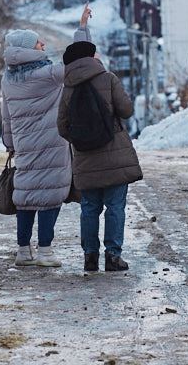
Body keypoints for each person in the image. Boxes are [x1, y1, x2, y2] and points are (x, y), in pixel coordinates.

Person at [0, 3, 93, 267]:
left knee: (27, 195)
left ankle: (22, 250)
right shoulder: (49, 74)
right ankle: (46, 252)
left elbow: (6, 116)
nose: (43, 45)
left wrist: (10, 143)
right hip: (52, 144)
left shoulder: (8, 80)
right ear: (29, 50)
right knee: (50, 194)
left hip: (25, 146)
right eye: (39, 44)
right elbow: (81, 61)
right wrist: (82, 29)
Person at [57, 40, 142, 272]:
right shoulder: (109, 78)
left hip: (85, 157)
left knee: (89, 207)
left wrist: (82, 138)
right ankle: (113, 257)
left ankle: (90, 257)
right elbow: (126, 110)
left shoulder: (68, 88)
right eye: (96, 52)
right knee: (115, 207)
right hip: (115, 154)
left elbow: (62, 127)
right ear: (90, 57)